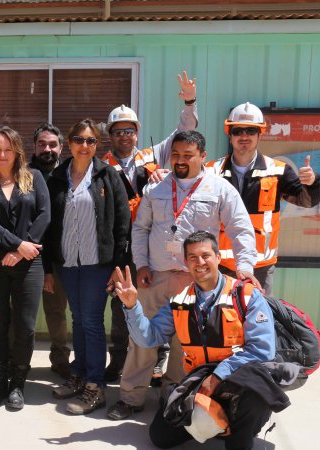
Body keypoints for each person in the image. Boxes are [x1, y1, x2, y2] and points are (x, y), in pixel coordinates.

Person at [107, 130, 258, 421]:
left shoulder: (220, 189)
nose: (180, 160)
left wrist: (245, 268)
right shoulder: (156, 188)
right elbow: (140, 230)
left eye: (188, 155)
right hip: (156, 277)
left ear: (203, 157)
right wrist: (142, 265)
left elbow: (240, 228)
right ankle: (131, 397)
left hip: (196, 281)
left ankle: (172, 396)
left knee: (185, 344)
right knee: (141, 340)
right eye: (176, 154)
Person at [115, 231, 282, 450]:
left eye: (205, 255)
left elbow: (262, 349)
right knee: (160, 437)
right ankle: (214, 423)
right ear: (186, 262)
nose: (199, 262)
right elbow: (149, 338)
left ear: (217, 257)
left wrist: (218, 376)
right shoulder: (179, 300)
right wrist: (132, 307)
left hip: (238, 379)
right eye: (192, 257)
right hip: (197, 382)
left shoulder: (245, 295)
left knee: (257, 393)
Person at [101, 71, 199, 382]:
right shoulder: (100, 166)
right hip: (120, 248)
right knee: (122, 306)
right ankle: (118, 360)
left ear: (137, 133)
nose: (124, 136)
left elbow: (185, 132)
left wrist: (189, 102)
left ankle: (160, 360)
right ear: (110, 135)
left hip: (151, 248)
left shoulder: (153, 156)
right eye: (118, 131)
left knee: (159, 307)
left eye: (129, 130)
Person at [45, 119, 130, 414]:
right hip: (68, 262)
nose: (84, 146)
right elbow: (47, 225)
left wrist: (119, 266)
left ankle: (96, 386)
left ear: (98, 145)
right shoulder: (56, 177)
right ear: (69, 143)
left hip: (98, 263)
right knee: (78, 318)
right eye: (79, 140)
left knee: (92, 322)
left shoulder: (108, 176)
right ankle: (80, 374)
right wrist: (48, 267)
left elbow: (122, 222)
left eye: (91, 141)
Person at [209, 102, 320, 295]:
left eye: (251, 131)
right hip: (220, 266)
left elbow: (307, 201)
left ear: (260, 134)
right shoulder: (211, 171)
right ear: (229, 135)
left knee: (257, 322)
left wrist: (311, 183)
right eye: (238, 130)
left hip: (259, 267)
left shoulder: (278, 171)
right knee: (220, 322)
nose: (244, 136)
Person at [0, 127, 51, 409]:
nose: (2, 155)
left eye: (8, 149)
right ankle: (0, 382)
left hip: (29, 263)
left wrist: (23, 250)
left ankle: (18, 384)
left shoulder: (35, 178)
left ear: (17, 151)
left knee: (26, 327)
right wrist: (18, 245)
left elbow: (45, 215)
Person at [29, 123, 71, 379]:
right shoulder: (24, 174)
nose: (47, 149)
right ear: (34, 146)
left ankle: (60, 357)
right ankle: (16, 358)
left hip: (59, 256)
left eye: (52, 145)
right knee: (21, 312)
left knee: (56, 311)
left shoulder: (68, 174)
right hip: (27, 254)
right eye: (42, 144)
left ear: (61, 147)